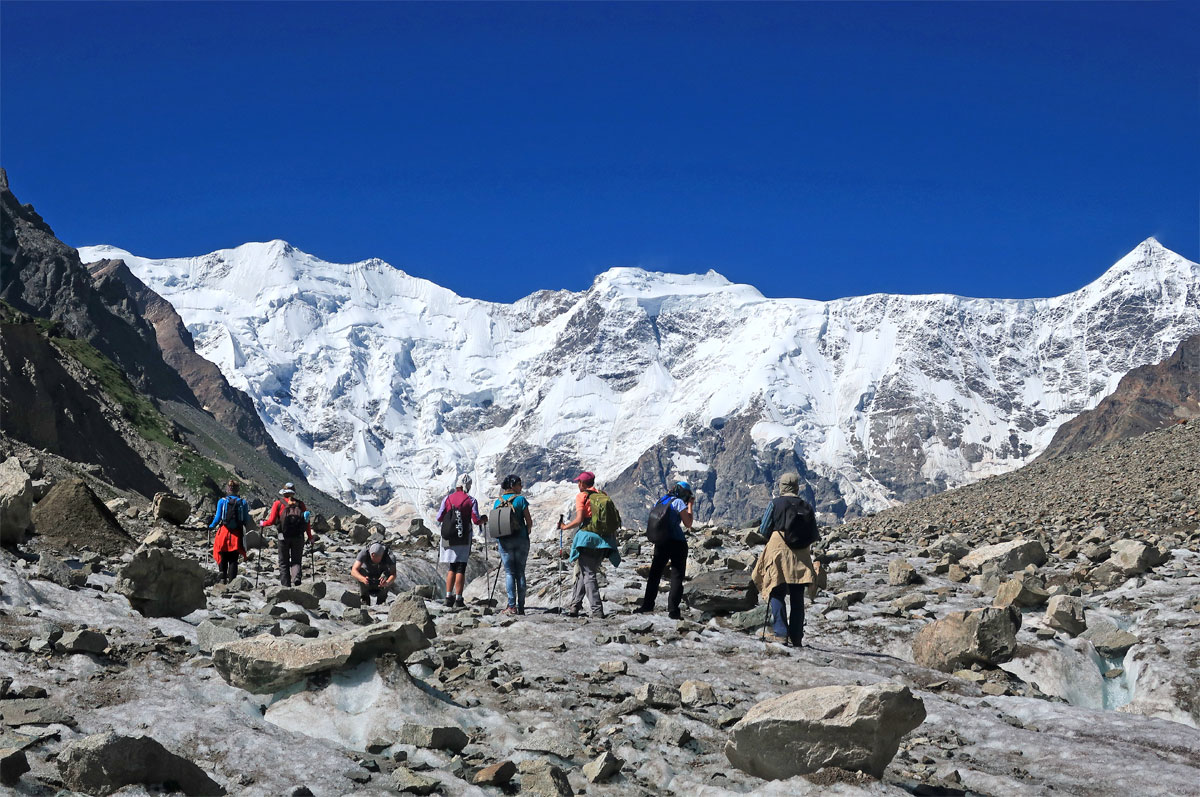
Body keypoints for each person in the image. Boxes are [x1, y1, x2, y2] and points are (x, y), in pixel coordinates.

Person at [750, 472, 819, 647]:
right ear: (797, 487)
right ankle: (797, 638)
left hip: (779, 551)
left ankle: (781, 633)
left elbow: (764, 528)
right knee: (797, 597)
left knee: (776, 590)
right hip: (801, 553)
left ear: (781, 486)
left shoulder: (776, 503)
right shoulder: (807, 506)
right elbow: (813, 534)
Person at [558, 471, 620, 618]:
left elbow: (579, 519)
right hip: (604, 541)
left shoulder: (582, 496)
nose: (578, 484)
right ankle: (575, 606)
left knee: (588, 574)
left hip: (587, 539)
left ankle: (597, 610)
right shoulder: (603, 494)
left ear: (583, 484)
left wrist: (565, 527)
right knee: (585, 573)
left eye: (579, 482)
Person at [635, 480, 694, 619]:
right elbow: (688, 523)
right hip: (677, 542)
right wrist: (690, 505)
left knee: (655, 574)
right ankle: (673, 610)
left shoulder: (661, 501)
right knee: (676, 576)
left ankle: (647, 605)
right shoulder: (678, 502)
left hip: (661, 541)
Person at [437, 474, 482, 608]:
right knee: (461, 567)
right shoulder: (471, 500)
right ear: (467, 485)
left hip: (448, 536)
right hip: (463, 536)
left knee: (452, 567)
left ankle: (448, 597)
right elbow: (476, 520)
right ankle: (459, 599)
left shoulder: (447, 499)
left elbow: (439, 517)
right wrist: (483, 520)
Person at [492, 474, 533, 615]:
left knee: (509, 572)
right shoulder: (521, 500)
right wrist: (526, 531)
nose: (521, 487)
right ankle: (521, 607)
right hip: (521, 539)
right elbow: (529, 521)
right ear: (513, 485)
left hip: (504, 541)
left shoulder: (498, 502)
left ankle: (511, 606)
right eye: (519, 484)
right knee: (520, 572)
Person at [261, 482, 314, 587]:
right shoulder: (300, 504)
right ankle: (296, 578)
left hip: (283, 536)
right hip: (298, 537)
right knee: (296, 560)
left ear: (284, 492)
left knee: (283, 562)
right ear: (293, 493)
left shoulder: (278, 504)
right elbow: (306, 522)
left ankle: (285, 586)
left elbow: (271, 521)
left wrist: (263, 523)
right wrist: (310, 537)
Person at [209, 480, 250, 584]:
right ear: (238, 489)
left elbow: (218, 517)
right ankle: (232, 583)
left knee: (222, 556)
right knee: (233, 560)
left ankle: (222, 580)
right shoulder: (243, 502)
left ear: (228, 489)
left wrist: (211, 526)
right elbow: (246, 520)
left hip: (223, 532)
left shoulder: (222, 501)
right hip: (236, 534)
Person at [352, 542, 397, 606]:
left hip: (381, 578)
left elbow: (393, 574)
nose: (377, 561)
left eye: (379, 558)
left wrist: (387, 582)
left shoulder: (389, 555)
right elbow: (354, 570)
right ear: (372, 554)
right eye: (375, 558)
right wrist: (363, 579)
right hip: (367, 577)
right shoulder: (364, 552)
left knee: (387, 574)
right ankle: (365, 599)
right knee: (360, 571)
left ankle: (381, 601)